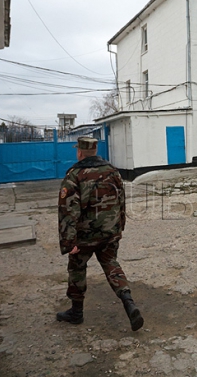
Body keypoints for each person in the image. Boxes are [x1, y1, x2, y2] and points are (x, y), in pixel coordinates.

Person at [56, 136, 143, 331]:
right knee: (111, 264)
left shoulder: (75, 175)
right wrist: (119, 228)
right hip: (109, 233)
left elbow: (67, 211)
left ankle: (76, 312)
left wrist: (68, 242)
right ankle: (129, 303)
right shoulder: (113, 172)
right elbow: (122, 201)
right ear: (94, 151)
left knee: (77, 269)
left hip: (84, 237)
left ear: (79, 152)